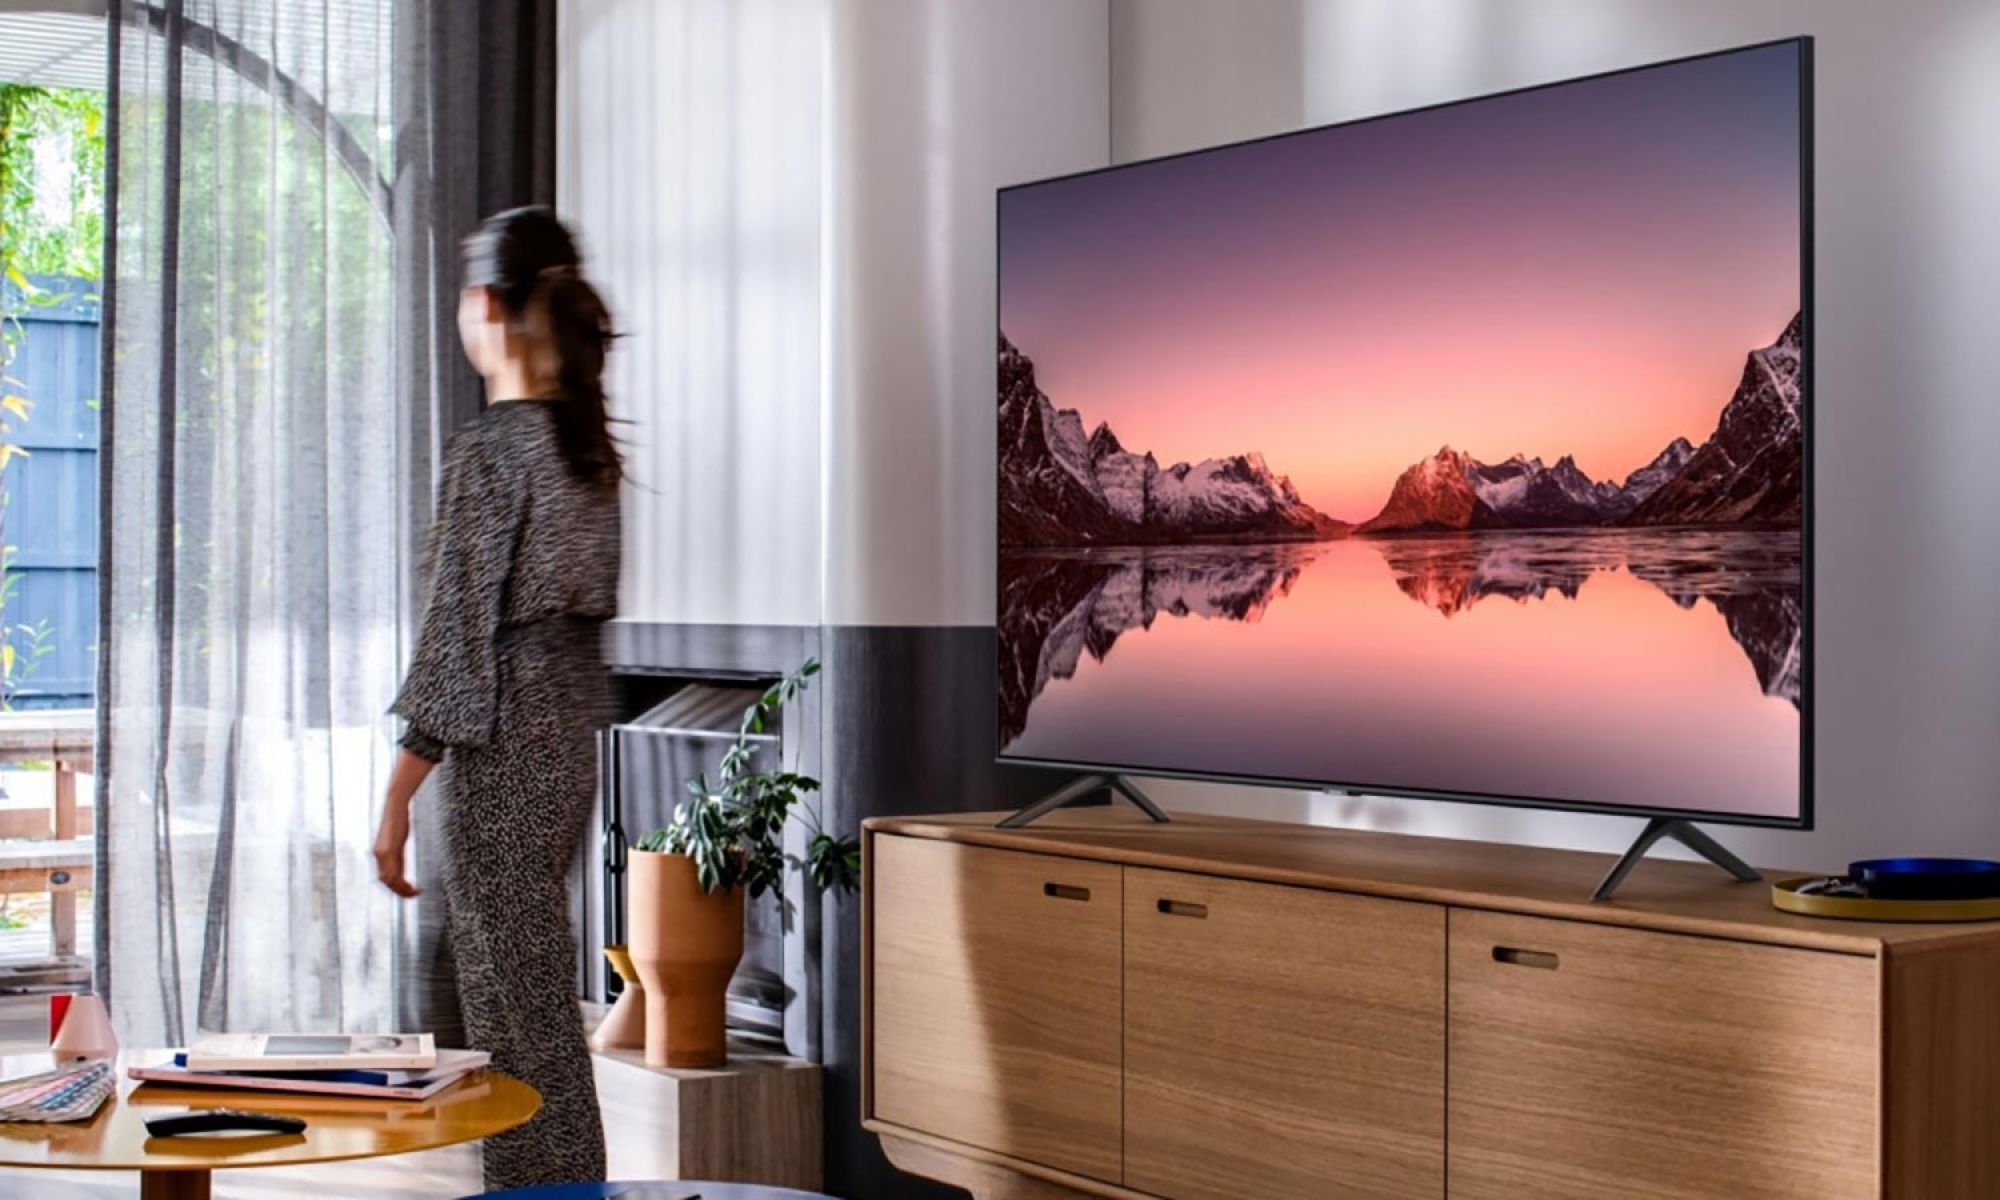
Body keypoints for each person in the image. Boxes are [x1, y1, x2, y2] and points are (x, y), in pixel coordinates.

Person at [372, 206, 619, 1191]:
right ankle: (561, 1187)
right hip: (567, 743)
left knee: (516, 1028)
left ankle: (548, 1194)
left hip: (501, 748)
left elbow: (455, 637)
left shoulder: (491, 451)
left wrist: (397, 792)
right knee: (535, 1012)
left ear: (489, 308)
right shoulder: (587, 453)